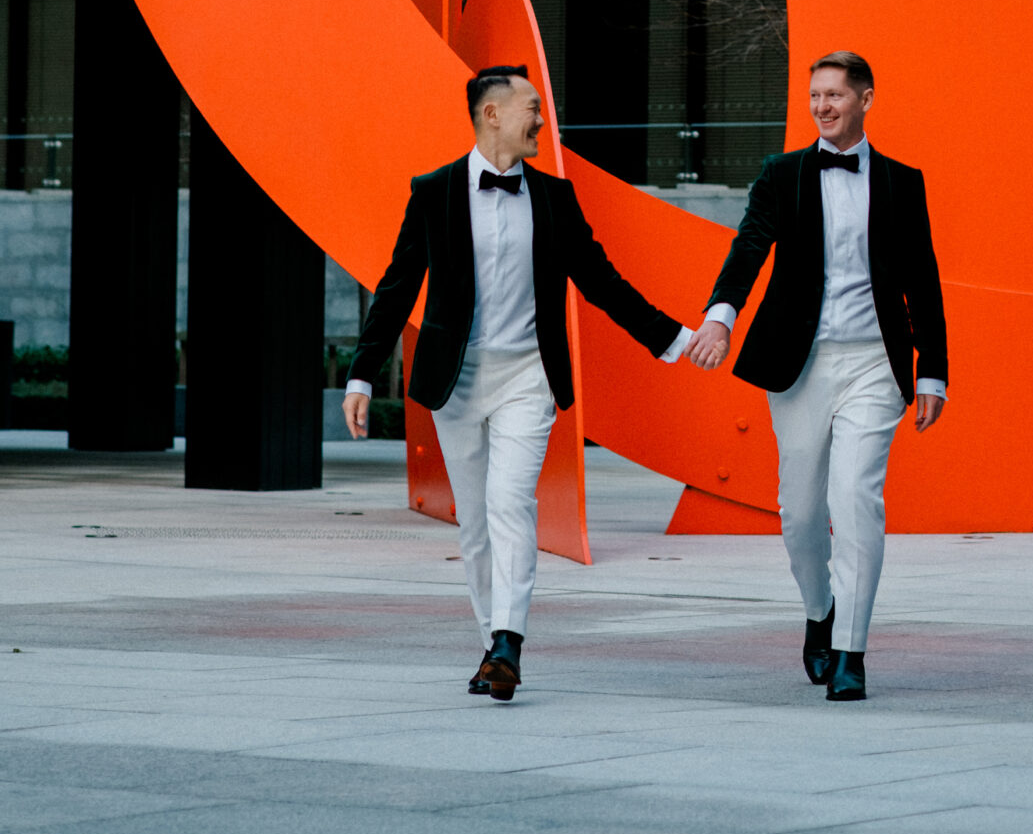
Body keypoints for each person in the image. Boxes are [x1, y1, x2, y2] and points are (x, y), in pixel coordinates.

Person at [343, 64, 693, 702]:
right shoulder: (434, 192)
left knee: (511, 502)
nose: (541, 120)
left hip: (528, 376)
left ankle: (509, 642)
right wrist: (363, 373)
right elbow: (397, 287)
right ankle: (492, 646)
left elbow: (602, 281)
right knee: (475, 523)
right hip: (457, 380)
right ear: (492, 113)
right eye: (532, 107)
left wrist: (672, 339)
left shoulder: (554, 197)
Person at [685, 50, 947, 702]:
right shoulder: (784, 174)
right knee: (801, 514)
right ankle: (820, 610)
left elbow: (924, 282)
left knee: (856, 501)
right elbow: (748, 246)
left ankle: (853, 651)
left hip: (873, 368)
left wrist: (933, 373)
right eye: (815, 97)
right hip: (799, 366)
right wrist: (720, 317)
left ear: (866, 99)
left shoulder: (901, 182)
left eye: (835, 95)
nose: (823, 106)